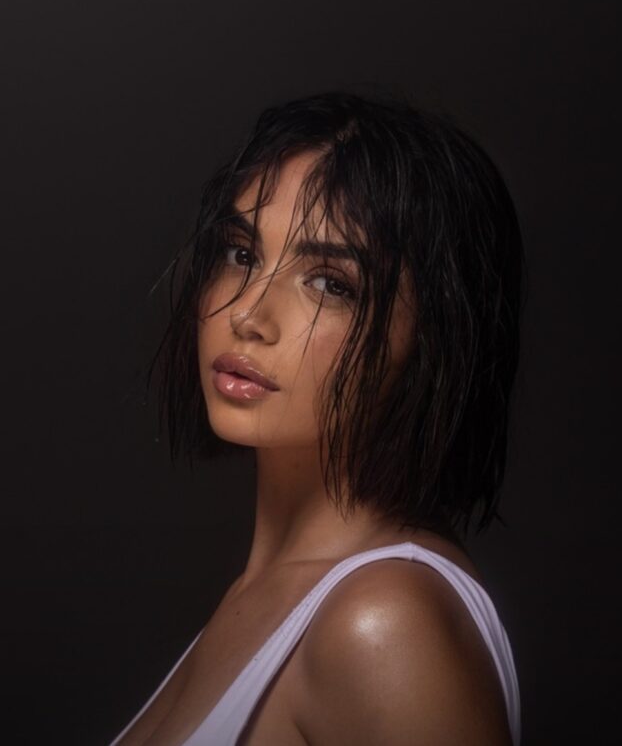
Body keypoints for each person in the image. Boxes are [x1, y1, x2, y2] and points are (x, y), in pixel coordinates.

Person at [109, 91, 525, 745]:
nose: (248, 314)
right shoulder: (265, 592)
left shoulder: (383, 625)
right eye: (242, 254)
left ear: (435, 337)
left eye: (331, 282)